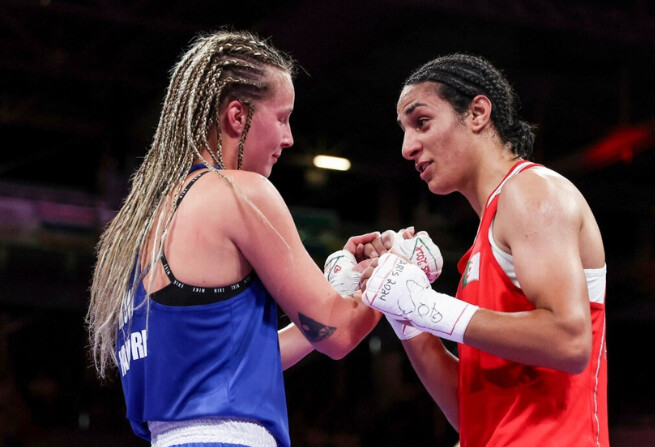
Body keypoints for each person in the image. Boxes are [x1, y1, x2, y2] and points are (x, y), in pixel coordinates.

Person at [85, 29, 385, 447]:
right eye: (281, 117)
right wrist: (396, 274)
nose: (289, 138)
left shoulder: (140, 224)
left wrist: (340, 289)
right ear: (237, 116)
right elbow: (340, 336)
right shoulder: (240, 191)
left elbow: (235, 362)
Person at [361, 53, 609, 446]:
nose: (408, 147)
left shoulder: (532, 191)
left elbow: (571, 341)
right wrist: (404, 312)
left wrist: (427, 305)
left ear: (477, 113)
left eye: (421, 122)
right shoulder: (485, 242)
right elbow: (471, 416)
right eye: (404, 131)